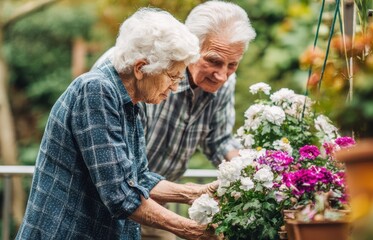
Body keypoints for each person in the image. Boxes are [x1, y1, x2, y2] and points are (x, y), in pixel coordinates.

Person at [15, 8, 219, 240]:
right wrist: (191, 230)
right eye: (171, 76)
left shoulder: (132, 101)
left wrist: (196, 192)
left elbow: (138, 177)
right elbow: (120, 195)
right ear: (140, 68)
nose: (174, 87)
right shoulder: (96, 90)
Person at [93, 1, 256, 239]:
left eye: (232, 64)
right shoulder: (135, 72)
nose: (222, 75)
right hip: (109, 204)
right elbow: (122, 180)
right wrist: (190, 214)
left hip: (159, 202)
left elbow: (218, 141)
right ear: (191, 45)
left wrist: (254, 169)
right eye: (214, 61)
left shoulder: (224, 83)